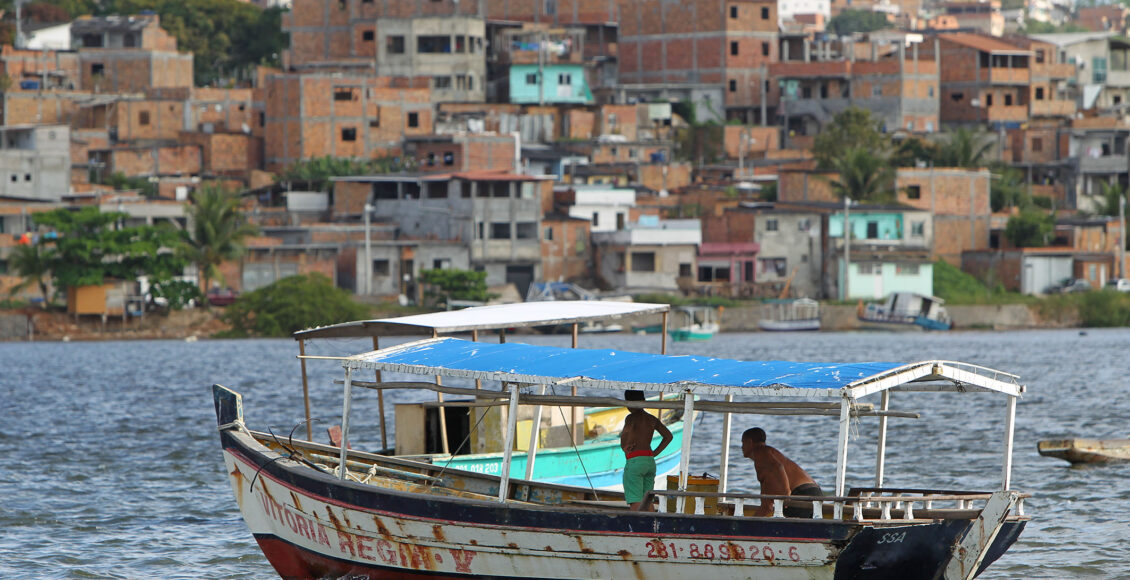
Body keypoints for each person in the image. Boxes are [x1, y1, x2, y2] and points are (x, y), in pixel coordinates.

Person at [741, 427, 823, 517]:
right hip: (813, 492)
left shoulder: (761, 451)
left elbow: (778, 466)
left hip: (801, 493)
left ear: (749, 442)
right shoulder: (768, 458)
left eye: (743, 443)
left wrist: (786, 492)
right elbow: (767, 506)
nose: (741, 447)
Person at [620, 390, 673, 511]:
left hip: (635, 461)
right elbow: (668, 436)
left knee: (635, 500)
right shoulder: (651, 419)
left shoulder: (630, 418)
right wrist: (654, 453)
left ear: (628, 403)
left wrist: (625, 447)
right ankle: (651, 526)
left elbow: (625, 436)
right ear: (643, 402)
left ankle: (636, 527)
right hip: (649, 460)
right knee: (647, 499)